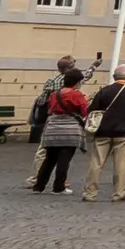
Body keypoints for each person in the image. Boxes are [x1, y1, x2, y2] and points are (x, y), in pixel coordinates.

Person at [82, 64, 125, 203]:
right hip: (122, 133)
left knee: (96, 163)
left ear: (114, 76)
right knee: (120, 165)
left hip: (103, 131)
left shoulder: (104, 91)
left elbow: (92, 110)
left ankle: (90, 193)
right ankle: (118, 193)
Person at [32, 66, 89, 195]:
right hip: (70, 130)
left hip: (52, 129)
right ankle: (58, 187)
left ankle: (39, 186)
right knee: (64, 160)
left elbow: (50, 109)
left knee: (49, 159)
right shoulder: (76, 94)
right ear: (77, 82)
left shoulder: (54, 94)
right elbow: (85, 111)